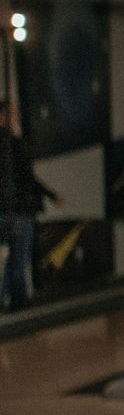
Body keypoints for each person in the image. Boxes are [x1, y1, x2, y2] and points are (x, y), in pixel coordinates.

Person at [0, 100, 58, 311]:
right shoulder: (15, 145)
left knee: (10, 260)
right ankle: (19, 303)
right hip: (18, 210)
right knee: (18, 259)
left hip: (6, 210)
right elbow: (28, 179)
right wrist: (50, 195)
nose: (17, 119)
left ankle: (16, 299)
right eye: (13, 115)